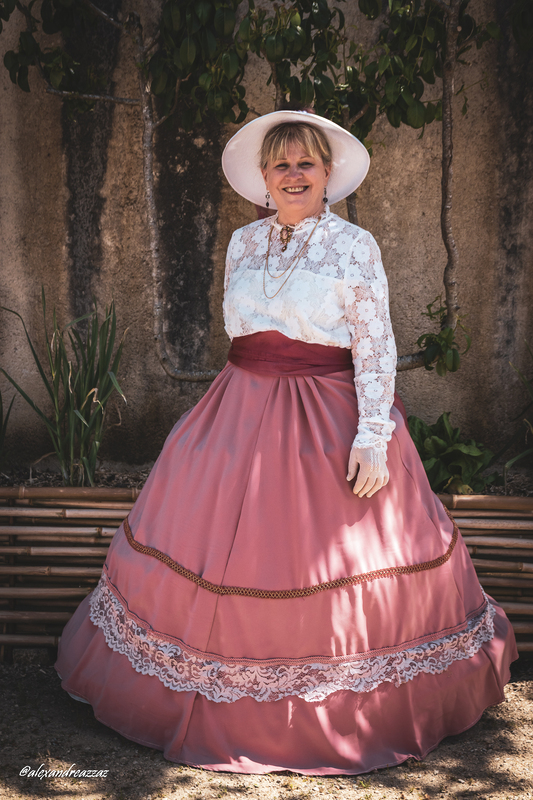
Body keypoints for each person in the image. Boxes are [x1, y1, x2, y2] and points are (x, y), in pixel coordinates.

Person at [56, 110, 517, 775]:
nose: (293, 174)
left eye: (305, 162)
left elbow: (375, 345)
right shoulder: (243, 242)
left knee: (315, 558)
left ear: (327, 173)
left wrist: (371, 435)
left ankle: (332, 713)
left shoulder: (354, 245)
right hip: (237, 409)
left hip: (324, 415)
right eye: (280, 164)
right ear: (262, 179)